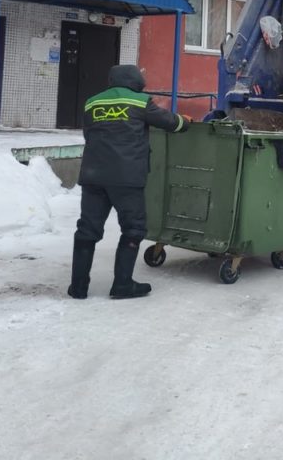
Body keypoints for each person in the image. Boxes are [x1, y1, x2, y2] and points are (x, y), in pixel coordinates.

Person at [67, 64, 190, 300]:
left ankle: (78, 287)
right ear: (136, 82)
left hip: (93, 176)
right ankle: (122, 284)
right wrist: (185, 121)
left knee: (87, 230)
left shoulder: (92, 102)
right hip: (126, 178)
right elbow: (170, 122)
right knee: (133, 228)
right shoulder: (140, 101)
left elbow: (88, 133)